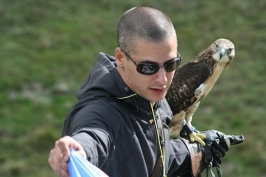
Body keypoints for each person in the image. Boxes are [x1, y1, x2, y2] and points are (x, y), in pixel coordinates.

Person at [48, 6, 243, 177]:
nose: (162, 79)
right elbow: (94, 135)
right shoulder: (102, 112)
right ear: (120, 58)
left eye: (170, 64)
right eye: (148, 67)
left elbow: (143, 156)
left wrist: (193, 152)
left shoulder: (151, 99)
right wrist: (79, 150)